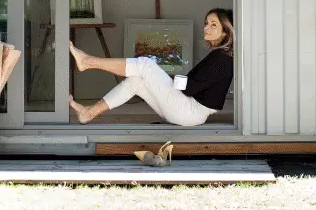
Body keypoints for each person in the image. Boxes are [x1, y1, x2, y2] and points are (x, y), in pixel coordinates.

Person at [68, 8, 234, 126]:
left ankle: (88, 61)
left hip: (189, 112)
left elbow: (189, 87)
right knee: (136, 81)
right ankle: (88, 113)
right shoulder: (222, 56)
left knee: (146, 64)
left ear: (225, 32)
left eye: (214, 25)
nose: (206, 27)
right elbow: (196, 84)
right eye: (206, 22)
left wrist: (167, 78)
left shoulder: (221, 57)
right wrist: (165, 78)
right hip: (188, 113)